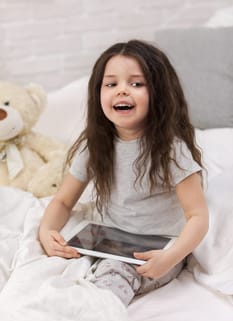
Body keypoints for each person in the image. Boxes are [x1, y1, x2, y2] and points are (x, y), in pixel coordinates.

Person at [39, 39, 209, 306]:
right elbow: (62, 200)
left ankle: (95, 317)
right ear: (98, 93)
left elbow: (198, 215)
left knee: (115, 275)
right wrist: (47, 231)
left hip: (153, 251)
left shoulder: (171, 150)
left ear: (159, 93)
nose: (121, 91)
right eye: (111, 84)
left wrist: (171, 257)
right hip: (107, 239)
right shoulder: (94, 144)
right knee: (50, 267)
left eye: (136, 83)